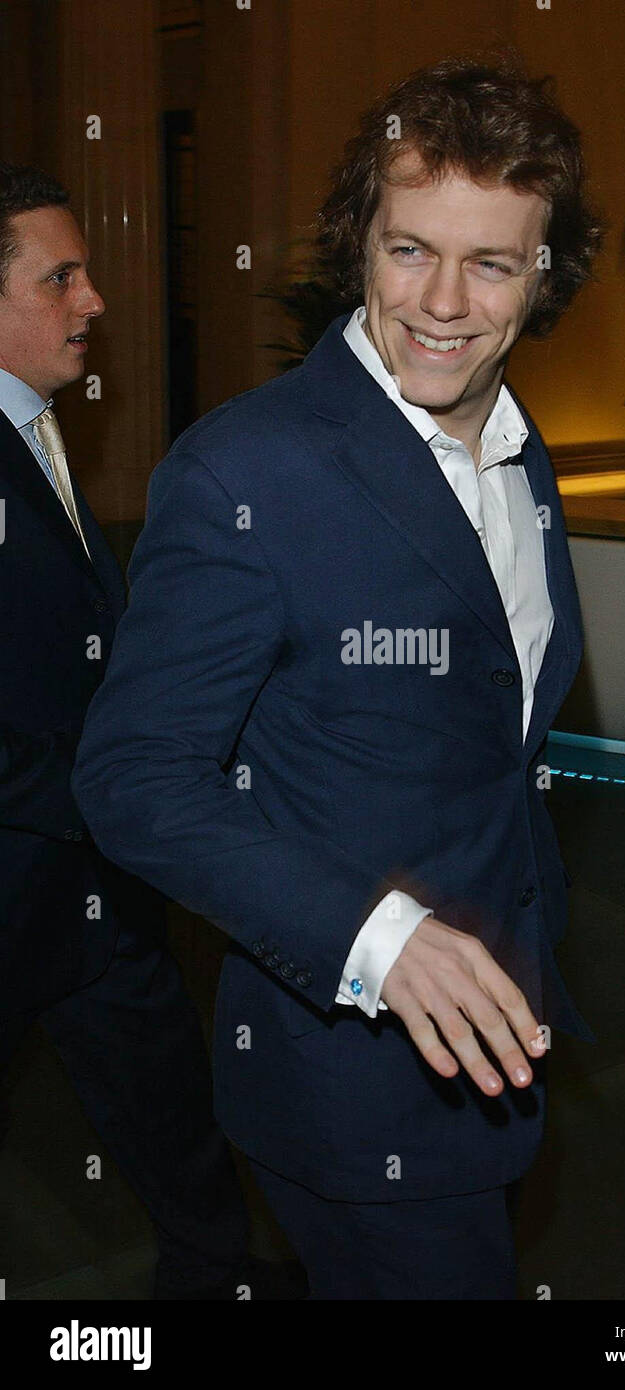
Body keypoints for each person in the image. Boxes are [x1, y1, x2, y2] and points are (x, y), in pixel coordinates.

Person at [73, 56, 602, 1300]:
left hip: (492, 1050)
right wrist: (386, 942)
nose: (443, 302)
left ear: (544, 275)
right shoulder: (250, 472)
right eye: (409, 248)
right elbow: (133, 777)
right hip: (350, 1089)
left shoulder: (522, 459)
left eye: (492, 263)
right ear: (357, 237)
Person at [0, 163, 305, 1301]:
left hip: (97, 895)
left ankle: (214, 1280)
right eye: (61, 276)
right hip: (26, 873)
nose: (94, 301)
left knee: (172, 1107)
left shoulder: (38, 430)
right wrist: (109, 789)